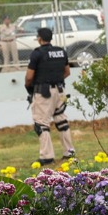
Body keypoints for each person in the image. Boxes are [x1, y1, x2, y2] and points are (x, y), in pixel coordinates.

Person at [25, 26, 76, 166]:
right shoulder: (61, 52)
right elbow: (67, 72)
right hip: (60, 91)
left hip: (43, 92)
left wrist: (29, 87)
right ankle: (69, 152)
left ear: (39, 38)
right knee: (61, 121)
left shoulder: (37, 54)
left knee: (41, 123)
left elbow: (29, 76)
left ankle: (47, 156)